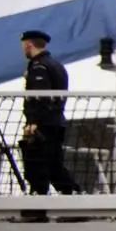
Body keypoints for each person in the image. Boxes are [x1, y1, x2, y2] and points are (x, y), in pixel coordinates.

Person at [20, 31, 79, 206]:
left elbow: (40, 97)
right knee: (53, 163)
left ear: (29, 44)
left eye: (23, 44)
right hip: (55, 122)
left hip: (43, 124)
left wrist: (32, 122)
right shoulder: (57, 65)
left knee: (37, 166)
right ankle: (72, 199)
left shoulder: (39, 66)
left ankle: (38, 207)